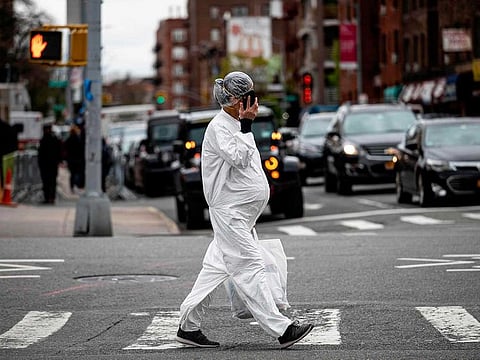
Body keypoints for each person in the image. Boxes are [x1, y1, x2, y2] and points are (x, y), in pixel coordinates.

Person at [176, 71, 314, 349]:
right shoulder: (220, 127)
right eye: (246, 96)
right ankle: (282, 329)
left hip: (240, 214)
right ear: (234, 99)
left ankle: (188, 327)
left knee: (216, 267)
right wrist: (248, 126)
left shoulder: (233, 124)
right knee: (250, 266)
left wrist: (244, 126)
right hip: (230, 213)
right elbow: (239, 158)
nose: (252, 101)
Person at [37, 123, 62, 204]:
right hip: (50, 164)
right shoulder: (51, 139)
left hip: (48, 164)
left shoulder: (46, 140)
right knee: (50, 182)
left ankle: (49, 197)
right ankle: (50, 197)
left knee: (49, 182)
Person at [64, 123, 85, 193]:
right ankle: (77, 185)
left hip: (71, 160)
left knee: (72, 174)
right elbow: (81, 149)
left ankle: (72, 186)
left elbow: (65, 149)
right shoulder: (78, 140)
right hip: (77, 160)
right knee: (77, 173)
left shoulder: (68, 140)